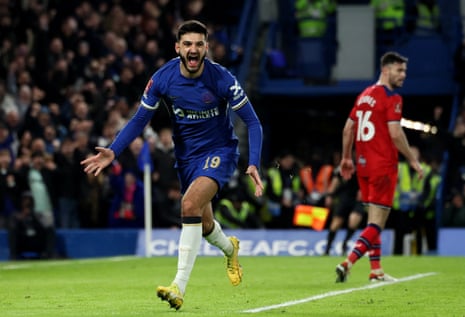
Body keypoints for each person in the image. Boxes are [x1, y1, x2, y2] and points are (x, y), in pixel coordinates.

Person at [80, 20, 264, 310]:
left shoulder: (222, 79)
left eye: (199, 44)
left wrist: (253, 162)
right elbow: (140, 119)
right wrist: (113, 151)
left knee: (189, 206)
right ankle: (230, 248)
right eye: (187, 44)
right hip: (186, 158)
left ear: (206, 48)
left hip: (219, 151)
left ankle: (179, 286)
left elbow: (252, 121)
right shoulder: (163, 78)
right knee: (203, 225)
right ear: (178, 47)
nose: (193, 49)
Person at [335, 51, 423, 283]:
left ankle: (376, 271)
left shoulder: (364, 95)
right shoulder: (391, 98)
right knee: (377, 222)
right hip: (383, 165)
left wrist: (346, 158)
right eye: (399, 70)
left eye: (404, 70)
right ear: (385, 70)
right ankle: (348, 263)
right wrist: (413, 160)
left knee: (373, 220)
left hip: (363, 167)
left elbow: (347, 129)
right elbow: (395, 133)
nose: (403, 75)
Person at [324, 166, 366, 256]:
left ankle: (345, 244)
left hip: (359, 197)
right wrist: (330, 195)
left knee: (354, 220)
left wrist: (365, 190)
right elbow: (335, 181)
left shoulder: (366, 165)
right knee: (335, 224)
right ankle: (327, 249)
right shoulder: (343, 165)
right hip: (344, 196)